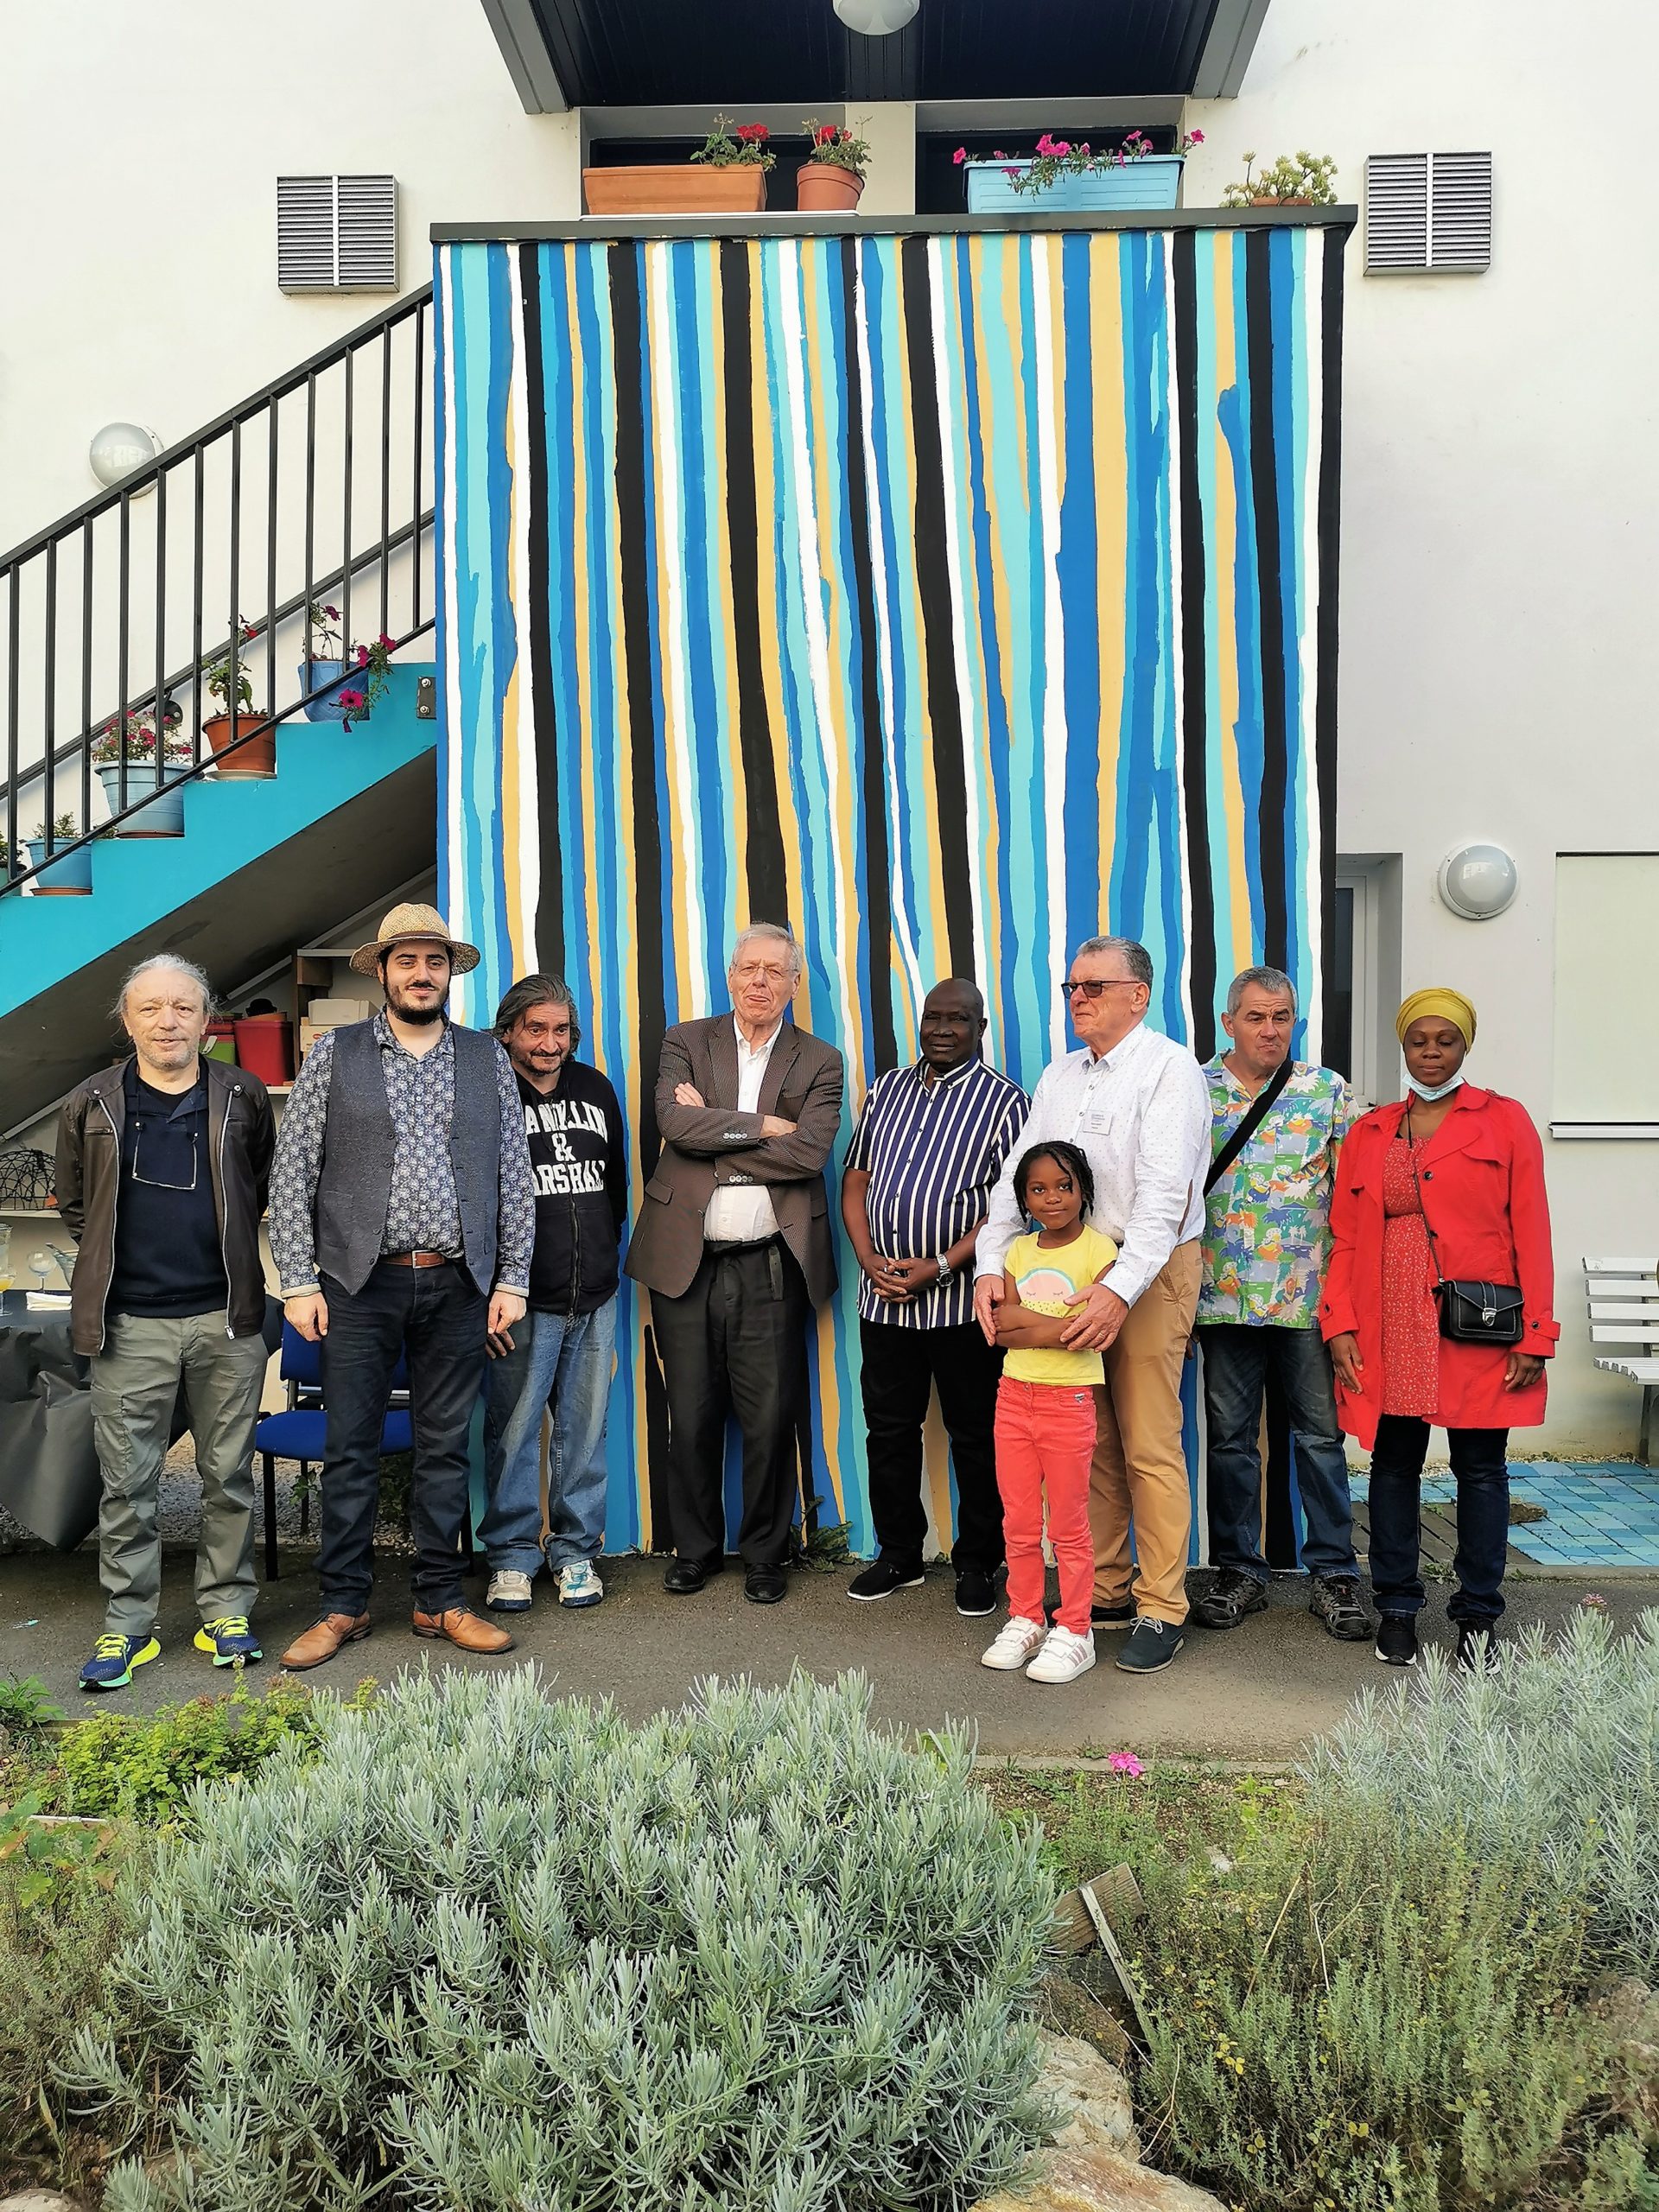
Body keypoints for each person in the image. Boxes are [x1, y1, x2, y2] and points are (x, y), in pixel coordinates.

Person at [268, 903, 535, 1668]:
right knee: (350, 1448)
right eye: (408, 961)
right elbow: (293, 1173)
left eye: (435, 961)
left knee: (444, 1451)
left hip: (458, 1285)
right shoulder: (336, 1054)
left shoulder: (485, 1058)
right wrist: (298, 1281)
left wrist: (512, 1279)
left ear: (450, 974)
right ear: (382, 971)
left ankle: (440, 1600)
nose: (423, 974)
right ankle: (342, 1606)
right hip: (357, 1286)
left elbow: (513, 1175)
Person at [976, 936, 1210, 1675]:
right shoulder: (1061, 1075)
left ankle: (1162, 1605)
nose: (1078, 998)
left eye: (1094, 987)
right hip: (1067, 1267)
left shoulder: (1169, 1070)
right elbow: (1017, 1176)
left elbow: (1166, 1196)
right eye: (1072, 987)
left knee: (1148, 1442)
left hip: (1146, 1268)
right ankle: (1104, 1588)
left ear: (1138, 995)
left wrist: (1116, 1289)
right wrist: (990, 1265)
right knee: (1094, 1440)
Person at [55, 955, 275, 1691]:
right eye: (150, 1008)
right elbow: (77, 1206)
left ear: (207, 1020)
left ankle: (227, 1612)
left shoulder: (242, 1095)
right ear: (127, 1021)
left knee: (227, 1476)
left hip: (226, 1319)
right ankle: (128, 1626)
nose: (168, 1021)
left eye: (183, 1007)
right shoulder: (91, 1102)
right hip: (128, 1324)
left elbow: (258, 1185)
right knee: (128, 1485)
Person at [1321, 989, 1557, 1669]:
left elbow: (1532, 1230)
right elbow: (1344, 1236)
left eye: (1445, 1040)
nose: (1431, 1052)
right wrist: (1339, 1324)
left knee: (1480, 1469)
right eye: (1418, 1040)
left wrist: (1536, 1334)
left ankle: (1478, 1615)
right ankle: (1397, 1608)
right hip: (1389, 1322)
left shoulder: (1504, 1120)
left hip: (1476, 1325)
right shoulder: (1372, 1131)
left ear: (1465, 1045)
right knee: (1394, 1465)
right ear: (1403, 1046)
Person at [626, 924, 843, 1605]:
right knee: (690, 1415)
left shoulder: (820, 1060)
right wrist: (762, 1126)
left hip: (770, 1264)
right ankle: (694, 1551)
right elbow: (673, 1125)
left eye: (775, 971)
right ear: (730, 977)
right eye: (749, 968)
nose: (760, 982)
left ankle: (765, 1555)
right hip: (685, 1262)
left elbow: (809, 1154)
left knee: (769, 1418)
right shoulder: (686, 1042)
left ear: (794, 984)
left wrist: (714, 1131)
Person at [841, 979, 1029, 1617]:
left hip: (961, 1306)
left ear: (980, 1028)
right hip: (883, 1300)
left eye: (958, 1019)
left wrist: (942, 1265)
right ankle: (899, 1555)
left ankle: (979, 1562)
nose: (942, 1029)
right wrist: (868, 1258)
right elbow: (857, 1179)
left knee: (975, 1435)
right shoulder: (887, 1090)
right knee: (889, 1431)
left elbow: (1008, 1210)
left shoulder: (1007, 1103)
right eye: (933, 1018)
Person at [1193, 966, 1370, 1642]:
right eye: (1257, 1017)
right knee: (1231, 1442)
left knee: (1320, 1440)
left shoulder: (1326, 1091)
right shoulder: (1194, 1090)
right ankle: (1239, 1571)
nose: (1271, 1030)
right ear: (1228, 1023)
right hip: (1222, 1299)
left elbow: (1359, 1197)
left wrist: (1356, 1301)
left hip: (1308, 1302)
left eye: (1282, 1017)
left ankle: (1335, 1574)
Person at [480, 975, 627, 1614]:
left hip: (594, 1294)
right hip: (518, 1300)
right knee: (513, 1433)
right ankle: (512, 1559)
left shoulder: (595, 1088)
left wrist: (600, 1257)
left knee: (585, 1433)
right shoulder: (487, 1093)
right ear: (508, 1031)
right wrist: (486, 1294)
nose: (550, 1042)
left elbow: (615, 1186)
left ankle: (575, 1554)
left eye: (561, 1030)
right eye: (535, 1029)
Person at [980, 1143, 1120, 1685]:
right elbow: (1003, 1329)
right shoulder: (1017, 1252)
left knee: (1068, 1525)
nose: (1052, 1198)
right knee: (1018, 1521)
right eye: (1038, 1189)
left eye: (1064, 1186)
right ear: (1024, 1199)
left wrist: (1034, 1324)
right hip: (1014, 1396)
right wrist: (1064, 1325)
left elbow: (1096, 1332)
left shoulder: (1099, 1249)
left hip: (1070, 1402)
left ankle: (1076, 1629)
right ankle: (1026, 1617)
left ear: (1084, 1189)